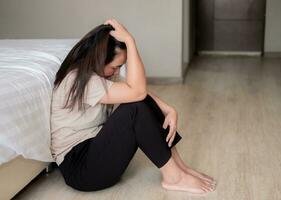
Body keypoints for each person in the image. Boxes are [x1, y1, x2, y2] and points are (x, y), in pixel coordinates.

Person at [50, 19, 217, 195]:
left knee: (139, 100)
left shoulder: (99, 73)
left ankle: (179, 168)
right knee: (134, 107)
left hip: (94, 151)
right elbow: (137, 92)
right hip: (81, 169)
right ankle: (173, 177)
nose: (117, 72)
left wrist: (169, 109)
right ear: (99, 59)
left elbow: (140, 93)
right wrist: (130, 41)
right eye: (116, 67)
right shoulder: (79, 80)